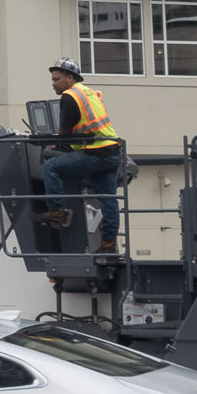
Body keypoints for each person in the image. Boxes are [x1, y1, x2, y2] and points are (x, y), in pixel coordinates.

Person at [37, 57, 123, 254]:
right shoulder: (89, 93)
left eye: (57, 79)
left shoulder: (69, 96)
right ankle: (108, 245)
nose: (53, 83)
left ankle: (56, 213)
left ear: (70, 77)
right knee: (108, 200)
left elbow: (64, 134)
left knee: (51, 166)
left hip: (95, 153)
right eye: (52, 80)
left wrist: (55, 143)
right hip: (111, 151)